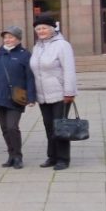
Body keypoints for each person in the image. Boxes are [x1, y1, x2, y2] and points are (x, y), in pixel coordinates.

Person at [0, 25, 36, 169]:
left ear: (18, 39)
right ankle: (11, 156)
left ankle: (18, 156)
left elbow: (30, 78)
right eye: (5, 37)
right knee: (5, 128)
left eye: (11, 37)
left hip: (16, 98)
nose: (8, 40)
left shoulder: (25, 55)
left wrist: (31, 97)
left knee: (12, 127)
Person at [30, 14, 77, 170]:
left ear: (52, 29)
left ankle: (63, 159)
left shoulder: (62, 45)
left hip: (60, 94)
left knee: (60, 126)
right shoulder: (37, 46)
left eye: (44, 28)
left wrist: (69, 92)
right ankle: (52, 156)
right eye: (38, 29)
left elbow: (69, 70)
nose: (41, 31)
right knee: (49, 126)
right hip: (43, 95)